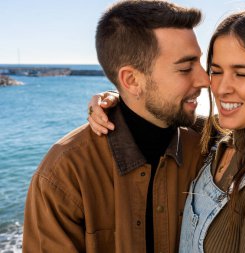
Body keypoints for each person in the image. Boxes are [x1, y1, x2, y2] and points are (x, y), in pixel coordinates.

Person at [89, 8, 245, 253]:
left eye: (242, 74)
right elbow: (164, 113)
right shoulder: (221, 139)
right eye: (216, 71)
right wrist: (120, 98)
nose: (220, 88)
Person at [22, 1, 210, 252]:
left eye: (200, 62)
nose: (205, 79)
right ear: (131, 80)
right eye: (185, 68)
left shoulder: (207, 148)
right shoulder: (64, 174)